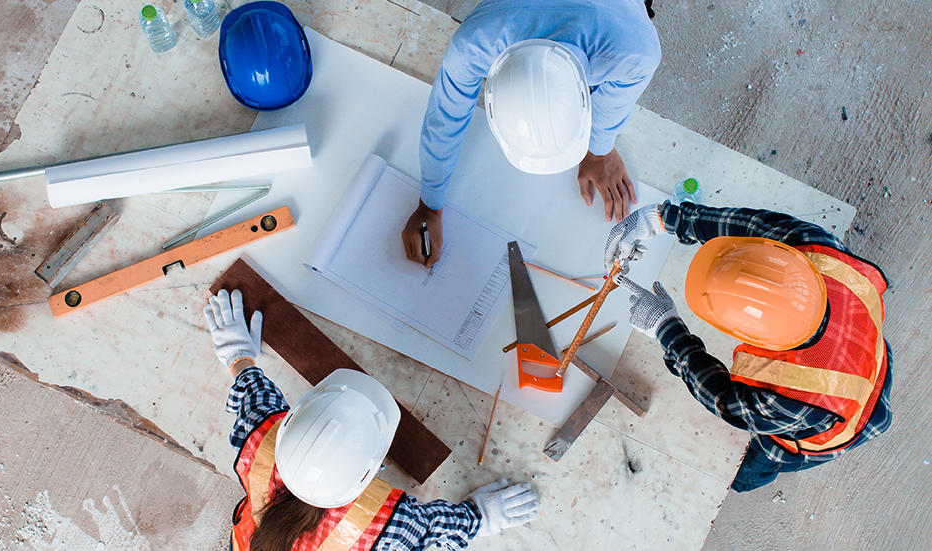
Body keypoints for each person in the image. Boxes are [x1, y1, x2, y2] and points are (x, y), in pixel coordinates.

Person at [203, 289, 539, 551]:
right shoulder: (380, 527)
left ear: (290, 423)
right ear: (368, 475)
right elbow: (430, 529)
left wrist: (239, 356)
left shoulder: (261, 441)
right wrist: (479, 517)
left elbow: (254, 398)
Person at [604, 202, 892, 492]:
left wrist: (666, 329)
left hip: (841, 425)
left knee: (752, 466)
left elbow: (722, 397)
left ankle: (742, 482)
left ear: (754, 338)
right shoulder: (814, 250)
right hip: (869, 353)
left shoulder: (789, 397)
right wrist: (660, 219)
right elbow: (753, 226)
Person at [402, 0, 661, 268]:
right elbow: (444, 117)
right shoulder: (474, 44)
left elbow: (616, 98)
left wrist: (599, 150)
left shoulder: (635, 51)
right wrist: (430, 206)